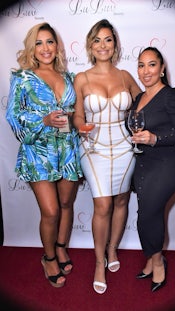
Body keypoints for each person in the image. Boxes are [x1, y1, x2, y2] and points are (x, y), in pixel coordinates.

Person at [6, 22, 83, 288]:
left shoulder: (70, 77)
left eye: (49, 41)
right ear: (31, 48)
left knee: (65, 204)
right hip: (38, 152)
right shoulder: (22, 78)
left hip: (68, 150)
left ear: (57, 46)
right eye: (38, 43)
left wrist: (78, 120)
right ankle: (48, 257)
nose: (45, 48)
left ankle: (61, 246)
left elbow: (76, 111)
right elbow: (13, 117)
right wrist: (44, 121)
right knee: (50, 211)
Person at [73, 19, 141, 294]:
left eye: (108, 39)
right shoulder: (82, 78)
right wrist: (79, 125)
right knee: (103, 206)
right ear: (90, 45)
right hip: (94, 148)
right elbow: (78, 114)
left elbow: (145, 103)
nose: (103, 45)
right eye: (97, 40)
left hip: (126, 148)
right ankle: (99, 262)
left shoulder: (125, 76)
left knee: (122, 199)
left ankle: (113, 249)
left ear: (115, 44)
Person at [130, 47, 175, 292]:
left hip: (165, 165)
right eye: (141, 65)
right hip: (143, 165)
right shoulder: (139, 98)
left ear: (162, 68)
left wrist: (154, 138)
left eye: (152, 64)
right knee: (145, 215)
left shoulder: (171, 95)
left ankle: (158, 263)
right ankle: (151, 258)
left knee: (148, 215)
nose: (146, 71)